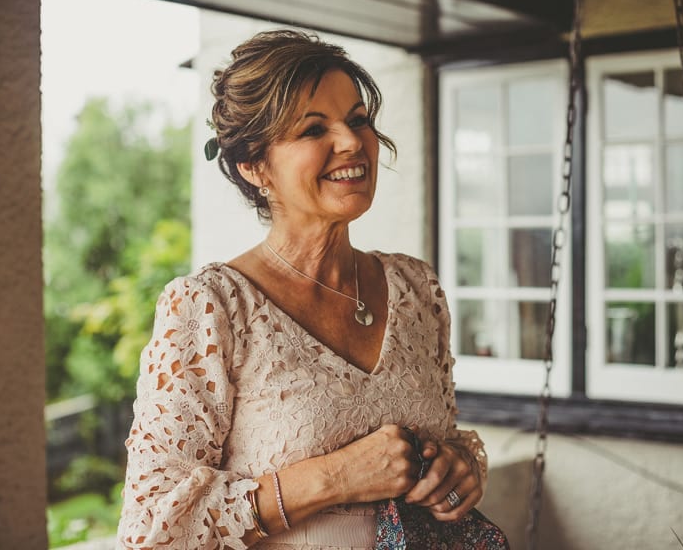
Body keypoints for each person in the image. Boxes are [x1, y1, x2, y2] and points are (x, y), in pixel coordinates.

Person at [117, 29, 489, 550]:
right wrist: (336, 477)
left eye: (358, 120)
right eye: (314, 129)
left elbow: (444, 444)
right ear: (254, 166)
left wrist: (459, 469)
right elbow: (153, 528)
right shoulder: (211, 308)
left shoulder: (416, 288)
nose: (352, 142)